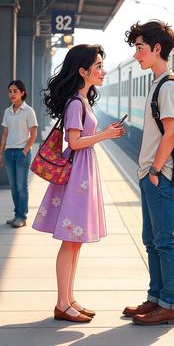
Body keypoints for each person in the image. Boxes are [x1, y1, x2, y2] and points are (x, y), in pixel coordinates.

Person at [32, 44, 125, 323]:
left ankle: (69, 299)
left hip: (82, 174)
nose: (102, 70)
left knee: (76, 243)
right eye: (97, 66)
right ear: (83, 71)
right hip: (76, 177)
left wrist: (104, 134)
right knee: (70, 241)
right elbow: (73, 142)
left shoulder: (82, 102)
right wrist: (105, 135)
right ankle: (62, 304)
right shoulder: (76, 103)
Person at [122, 21, 174, 325]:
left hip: (160, 175)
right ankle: (156, 298)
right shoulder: (157, 83)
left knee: (164, 241)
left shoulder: (169, 86)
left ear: (157, 49)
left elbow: (171, 134)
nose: (136, 54)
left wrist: (156, 171)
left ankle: (170, 304)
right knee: (152, 240)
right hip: (150, 174)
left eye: (139, 48)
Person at [0, 80, 38, 228]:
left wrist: (24, 150)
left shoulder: (28, 111)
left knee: (21, 187)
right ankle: (17, 215)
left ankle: (22, 217)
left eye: (15, 91)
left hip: (22, 153)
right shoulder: (7, 111)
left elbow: (33, 133)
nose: (12, 94)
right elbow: (5, 134)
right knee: (14, 187)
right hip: (9, 153)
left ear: (22, 93)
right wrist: (1, 153)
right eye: (10, 91)